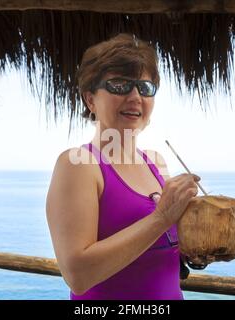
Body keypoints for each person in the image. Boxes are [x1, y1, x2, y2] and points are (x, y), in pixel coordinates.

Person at [46, 33, 200, 300]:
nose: (135, 96)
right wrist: (162, 217)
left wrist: (196, 248)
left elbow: (159, 251)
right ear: (90, 99)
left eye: (145, 87)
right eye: (119, 85)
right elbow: (77, 275)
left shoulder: (156, 162)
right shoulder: (79, 164)